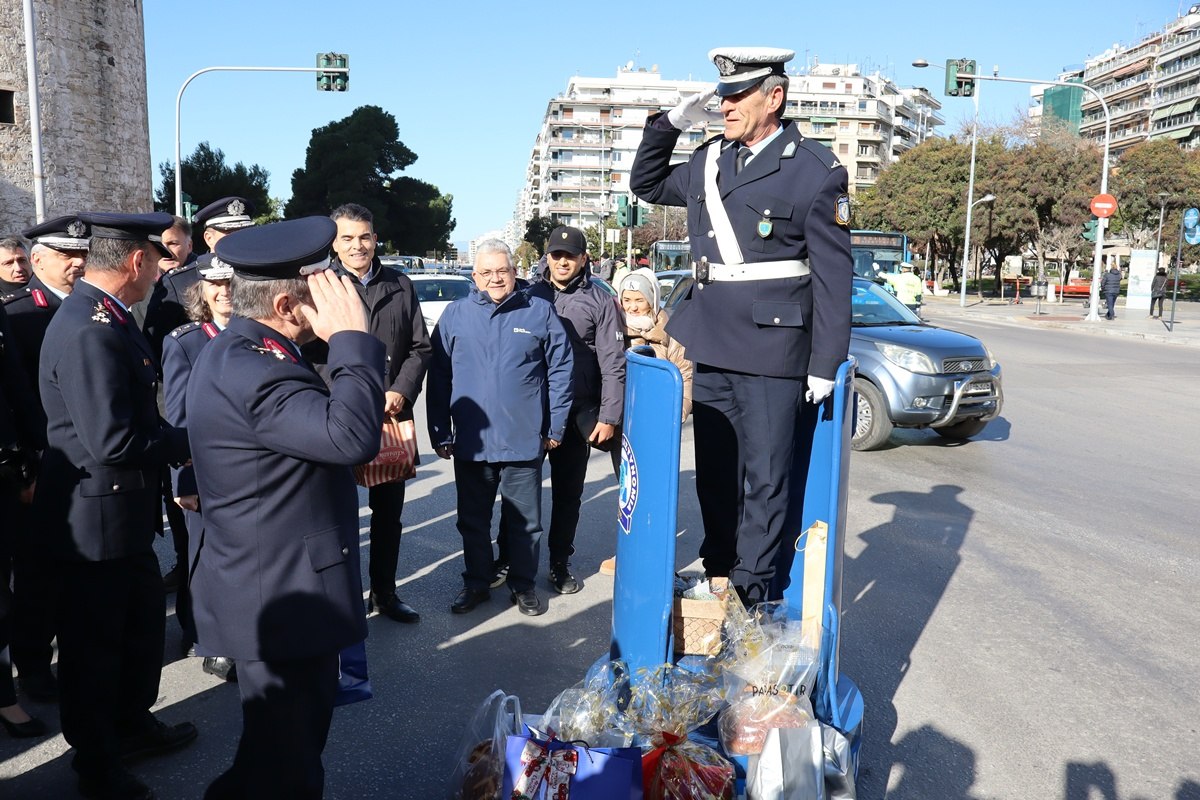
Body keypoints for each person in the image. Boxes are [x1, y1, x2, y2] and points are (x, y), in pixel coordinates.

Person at [631, 47, 852, 605]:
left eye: (737, 96)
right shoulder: (710, 160)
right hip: (711, 342)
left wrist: (825, 360)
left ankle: (753, 592)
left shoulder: (815, 170)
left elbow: (833, 276)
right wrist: (669, 124)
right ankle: (719, 571)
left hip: (773, 350)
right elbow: (646, 185)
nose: (725, 106)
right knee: (715, 473)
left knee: (767, 479)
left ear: (774, 97)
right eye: (722, 97)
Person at [186, 217, 384, 799]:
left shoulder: (247, 349)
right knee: (289, 766)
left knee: (272, 753)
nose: (333, 301)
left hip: (273, 582)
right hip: (279, 592)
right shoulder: (256, 369)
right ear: (285, 305)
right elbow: (349, 437)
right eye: (319, 291)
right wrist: (351, 339)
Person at [36, 211, 196, 800]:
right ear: (135, 261)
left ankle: (131, 724)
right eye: (156, 261)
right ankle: (97, 764)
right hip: (95, 520)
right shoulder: (90, 328)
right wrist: (192, 439)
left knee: (137, 630)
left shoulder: (107, 315)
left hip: (120, 514)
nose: (161, 273)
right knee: (95, 647)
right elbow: (114, 441)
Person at [426, 240, 573, 618]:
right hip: (472, 441)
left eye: (502, 271)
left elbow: (561, 370)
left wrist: (555, 425)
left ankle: (523, 586)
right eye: (487, 272)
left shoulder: (539, 312)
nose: (495, 278)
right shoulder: (455, 315)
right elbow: (439, 377)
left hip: (523, 439)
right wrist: (440, 431)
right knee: (472, 521)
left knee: (525, 523)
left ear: (514, 272)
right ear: (475, 277)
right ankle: (476, 582)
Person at [302, 203, 431, 624]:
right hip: (335, 415)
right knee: (334, 515)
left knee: (388, 515)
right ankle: (338, 599)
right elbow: (308, 354)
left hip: (389, 417)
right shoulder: (318, 286)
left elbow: (419, 348)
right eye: (347, 238)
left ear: (375, 239)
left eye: (364, 236)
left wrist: (400, 390)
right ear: (334, 244)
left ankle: (384, 593)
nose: (357, 245)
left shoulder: (399, 284)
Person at [505, 225, 623, 595]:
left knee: (568, 494)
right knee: (518, 492)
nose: (562, 262)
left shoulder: (600, 300)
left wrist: (609, 416)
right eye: (556, 255)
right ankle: (508, 558)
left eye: (570, 256)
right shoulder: (527, 294)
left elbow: (614, 363)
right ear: (548, 257)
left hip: (576, 411)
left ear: (584, 259)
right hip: (531, 411)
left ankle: (559, 563)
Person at [1, 216, 89, 705]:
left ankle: (76, 652)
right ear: (39, 261)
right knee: (36, 572)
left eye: (82, 254)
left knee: (77, 567)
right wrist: (28, 465)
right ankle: (33, 666)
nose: (78, 263)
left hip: (89, 458)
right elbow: (15, 394)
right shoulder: (18, 313)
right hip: (44, 457)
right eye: (66, 255)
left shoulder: (97, 309)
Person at [161, 253, 238, 682]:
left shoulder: (256, 332)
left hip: (249, 470)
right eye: (216, 285)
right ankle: (205, 638)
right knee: (203, 556)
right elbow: (178, 418)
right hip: (204, 471)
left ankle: (240, 633)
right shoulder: (186, 342)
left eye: (231, 284)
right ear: (202, 291)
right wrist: (184, 479)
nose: (225, 292)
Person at [0, 302, 48, 740]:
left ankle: (7, 695)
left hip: (5, 468)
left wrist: (35, 456)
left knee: (9, 589)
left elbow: (14, 383)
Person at [618, 267, 693, 420]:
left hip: (659, 412)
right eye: (627, 300)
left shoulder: (671, 331)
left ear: (652, 300)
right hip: (622, 413)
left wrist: (679, 411)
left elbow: (685, 375)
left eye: (640, 300)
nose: (633, 307)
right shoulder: (612, 328)